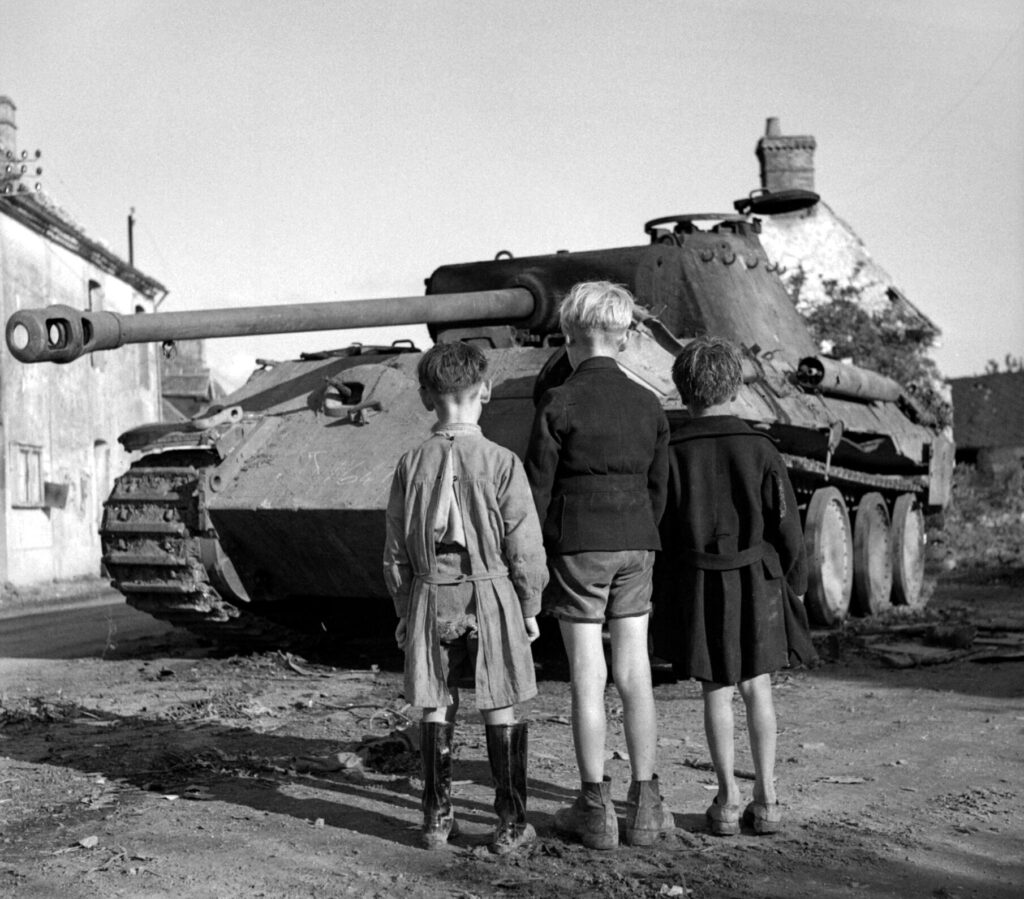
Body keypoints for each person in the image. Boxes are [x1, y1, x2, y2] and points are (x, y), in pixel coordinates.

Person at [525, 281, 673, 850]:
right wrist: (640, 528)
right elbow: (660, 488)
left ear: (567, 338)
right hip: (638, 543)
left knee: (589, 675)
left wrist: (534, 561)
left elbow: (537, 490)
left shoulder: (558, 402)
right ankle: (647, 805)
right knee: (634, 671)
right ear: (627, 338)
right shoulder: (648, 403)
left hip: (577, 547)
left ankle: (594, 808)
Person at [383, 341, 547, 854]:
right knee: (499, 697)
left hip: (432, 595)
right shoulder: (502, 461)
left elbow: (394, 552)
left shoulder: (410, 464)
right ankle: (510, 824)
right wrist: (530, 606)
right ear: (486, 390)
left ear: (426, 397)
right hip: (493, 593)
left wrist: (404, 608)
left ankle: (435, 819)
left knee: (434, 700)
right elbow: (525, 546)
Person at [652, 335, 817, 836]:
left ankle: (726, 800)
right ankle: (767, 801)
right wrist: (797, 583)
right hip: (757, 581)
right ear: (736, 388)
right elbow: (788, 526)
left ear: (683, 390)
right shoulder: (761, 447)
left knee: (716, 692)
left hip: (699, 582)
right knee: (757, 689)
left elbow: (660, 525)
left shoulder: (671, 450)